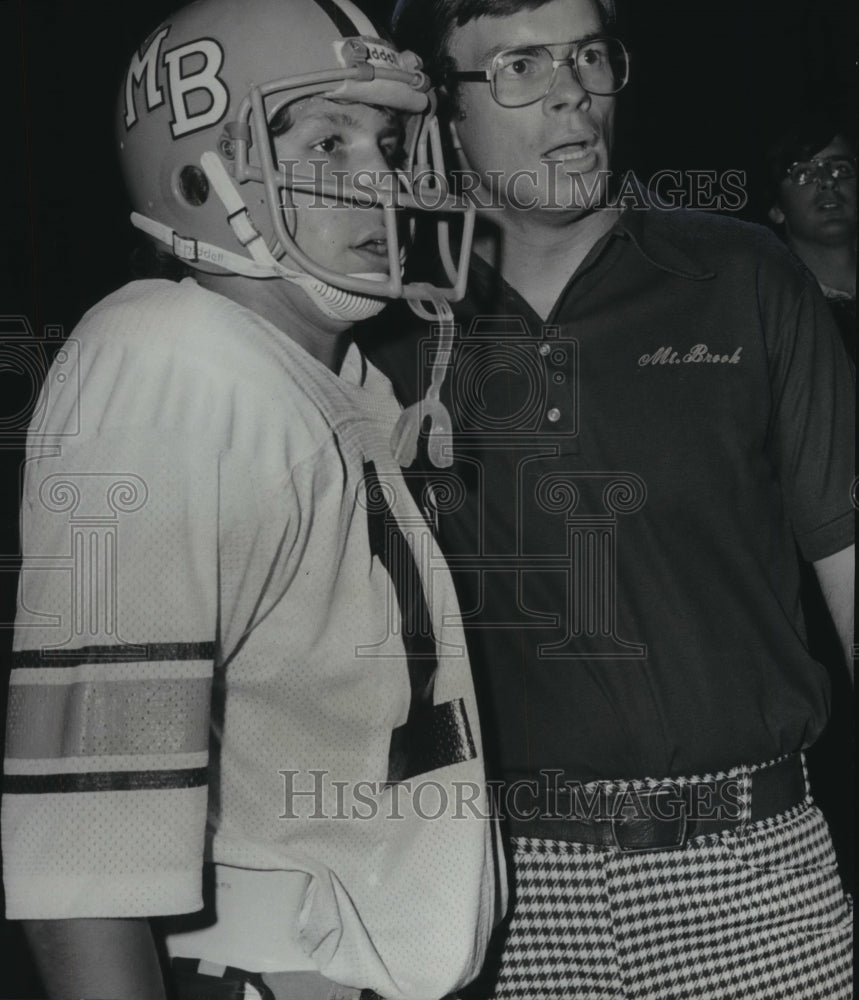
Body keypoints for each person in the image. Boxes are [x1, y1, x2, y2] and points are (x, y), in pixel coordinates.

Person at [0, 1, 504, 997]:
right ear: (200, 174)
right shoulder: (169, 366)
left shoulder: (334, 374)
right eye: (327, 139)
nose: (382, 181)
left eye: (391, 143)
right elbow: (84, 857)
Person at [360, 0, 856, 997]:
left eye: (588, 55)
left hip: (751, 869)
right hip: (495, 884)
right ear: (442, 109)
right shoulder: (391, 324)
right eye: (520, 67)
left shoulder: (742, 275)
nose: (571, 93)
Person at [766, 121, 857, 363]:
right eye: (804, 173)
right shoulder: (767, 313)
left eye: (841, 169)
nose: (828, 181)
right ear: (777, 208)